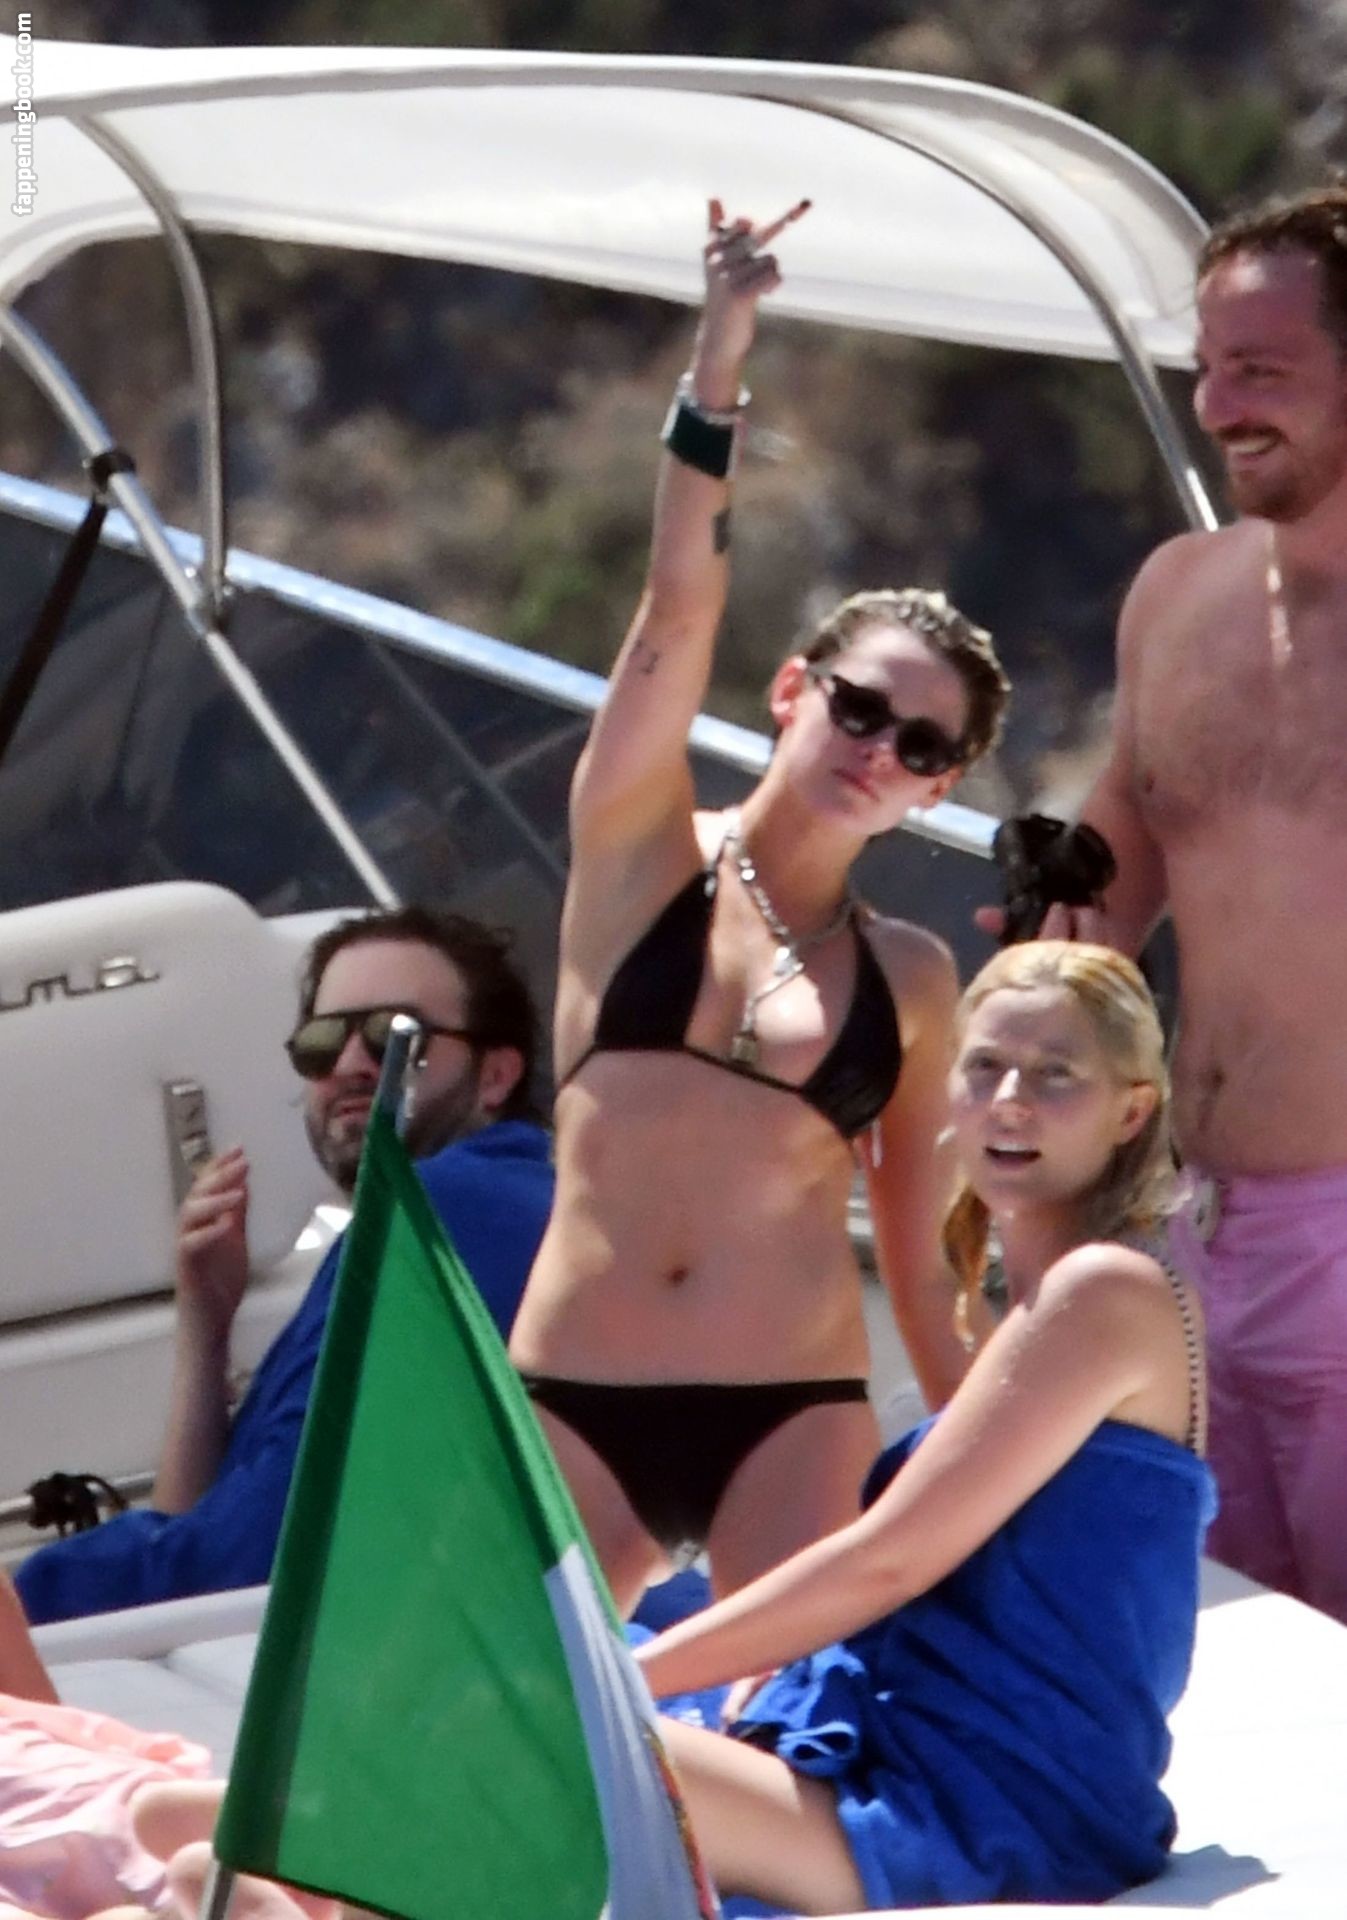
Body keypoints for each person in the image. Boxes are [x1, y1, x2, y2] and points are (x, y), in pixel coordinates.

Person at [509, 199, 1010, 1617]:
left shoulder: (911, 979)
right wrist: (717, 364)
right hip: (569, 1395)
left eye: (921, 747)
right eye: (859, 707)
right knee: (505, 1727)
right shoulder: (636, 849)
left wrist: (993, 1467)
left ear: (938, 789)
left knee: (788, 1721)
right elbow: (674, 610)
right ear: (793, 691)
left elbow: (922, 1259)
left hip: (793, 1409)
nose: (878, 749)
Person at [636, 941, 1213, 1915]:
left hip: (987, 1810)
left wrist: (619, 1682)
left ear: (1132, 1111)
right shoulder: (1054, 1300)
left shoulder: (1101, 1291)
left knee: (544, 1742)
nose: (1009, 1101)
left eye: (1055, 1075)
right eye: (984, 1067)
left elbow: (888, 1562)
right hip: (929, 1762)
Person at [980, 185, 1347, 1625]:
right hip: (1183, 1228)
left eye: (1260, 369)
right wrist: (1048, 913)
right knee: (1203, 1650)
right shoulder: (1176, 593)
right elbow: (1118, 859)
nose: (1219, 406)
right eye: (1207, 368)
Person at [17, 907, 553, 1626]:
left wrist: (26, 1596)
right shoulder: (463, 1204)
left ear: (495, 1076)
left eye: (396, 1036)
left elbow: (257, 1552)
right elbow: (217, 1536)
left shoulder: (451, 1208)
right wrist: (206, 1328)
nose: (352, 1064)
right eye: (323, 1042)